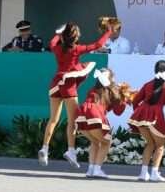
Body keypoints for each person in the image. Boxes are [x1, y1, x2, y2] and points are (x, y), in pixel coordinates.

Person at [37, 21, 113, 167]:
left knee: (53, 119)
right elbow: (97, 44)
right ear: (76, 37)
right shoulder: (77, 49)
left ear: (64, 37)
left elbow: (52, 42)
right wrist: (108, 32)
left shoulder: (57, 48)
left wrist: (58, 33)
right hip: (69, 85)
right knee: (73, 120)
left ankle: (45, 148)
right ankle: (71, 150)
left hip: (55, 83)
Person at [129, 60, 165, 182]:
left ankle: (143, 173)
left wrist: (138, 113)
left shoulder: (147, 84)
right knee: (160, 145)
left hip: (141, 115)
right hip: (157, 116)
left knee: (150, 144)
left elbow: (135, 101)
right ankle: (154, 173)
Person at [75, 68, 127, 179]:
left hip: (82, 116)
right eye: (112, 78)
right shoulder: (111, 91)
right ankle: (97, 170)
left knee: (96, 142)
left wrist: (121, 96)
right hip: (94, 114)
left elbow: (117, 111)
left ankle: (91, 169)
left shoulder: (93, 89)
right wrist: (123, 97)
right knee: (106, 142)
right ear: (109, 79)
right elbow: (119, 112)